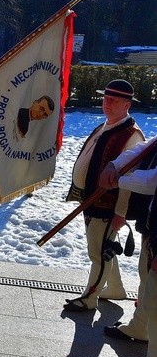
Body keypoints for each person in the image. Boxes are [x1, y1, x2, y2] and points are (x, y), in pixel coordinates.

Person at [63, 79, 144, 312]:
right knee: (104, 246)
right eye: (106, 98)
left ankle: (89, 297)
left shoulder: (131, 136)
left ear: (127, 104)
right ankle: (116, 287)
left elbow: (128, 182)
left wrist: (120, 214)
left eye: (114, 100)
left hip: (107, 205)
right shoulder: (106, 126)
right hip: (91, 200)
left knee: (97, 252)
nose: (107, 104)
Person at [99, 136, 157, 357]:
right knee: (148, 282)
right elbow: (145, 148)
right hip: (152, 227)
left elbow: (154, 179)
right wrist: (115, 166)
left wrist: (120, 179)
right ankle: (140, 327)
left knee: (155, 296)